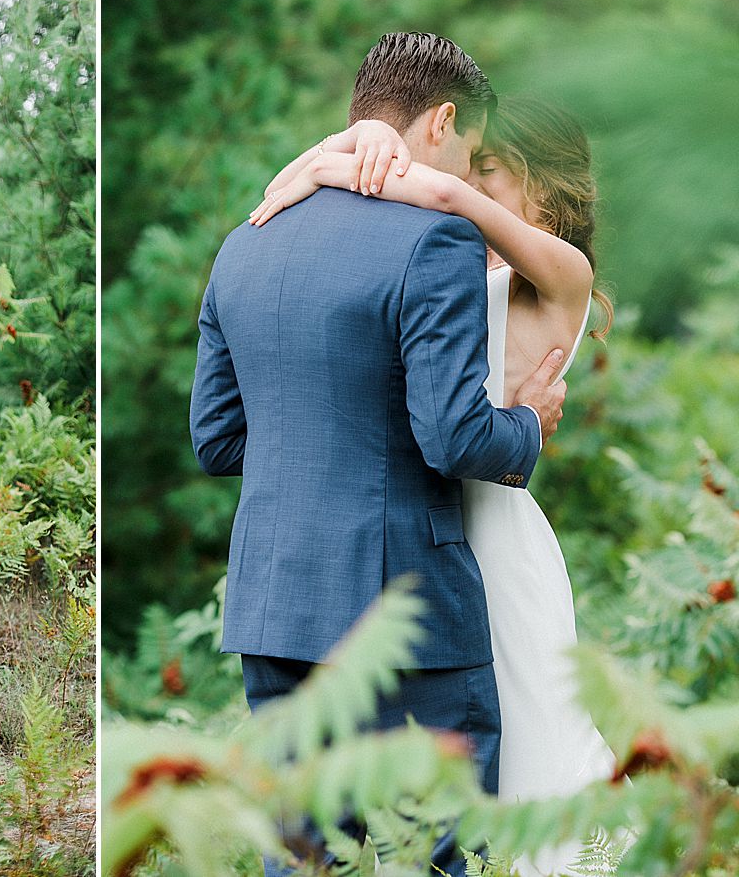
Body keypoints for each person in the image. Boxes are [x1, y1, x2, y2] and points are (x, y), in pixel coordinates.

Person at [189, 32, 568, 877]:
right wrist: (526, 425)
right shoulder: (434, 240)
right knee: (440, 854)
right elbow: (455, 436)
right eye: (469, 151)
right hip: (407, 613)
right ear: (442, 121)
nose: (466, 177)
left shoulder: (246, 241)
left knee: (305, 857)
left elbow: (215, 440)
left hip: (275, 605)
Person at [251, 95, 617, 875]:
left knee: (532, 742)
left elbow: (443, 191)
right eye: (473, 164)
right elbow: (280, 201)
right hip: (430, 537)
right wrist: (351, 139)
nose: (470, 178)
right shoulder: (448, 262)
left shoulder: (563, 275)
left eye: (491, 167)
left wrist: (343, 158)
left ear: (544, 182)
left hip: (498, 543)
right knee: (445, 775)